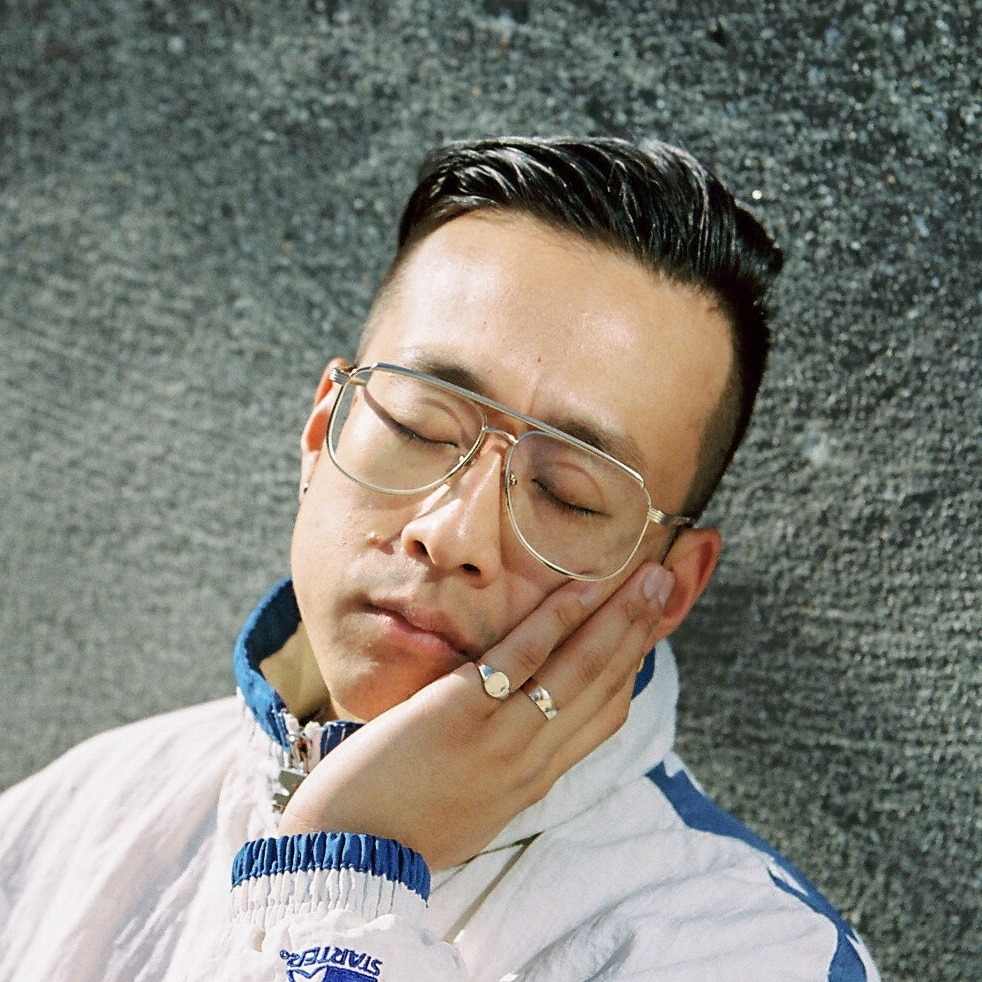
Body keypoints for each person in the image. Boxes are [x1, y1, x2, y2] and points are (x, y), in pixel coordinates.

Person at [0, 137, 879, 981]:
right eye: (421, 426)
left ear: (670, 588)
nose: (452, 535)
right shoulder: (79, 817)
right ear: (323, 431)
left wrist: (347, 871)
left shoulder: (749, 951)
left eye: (567, 492)